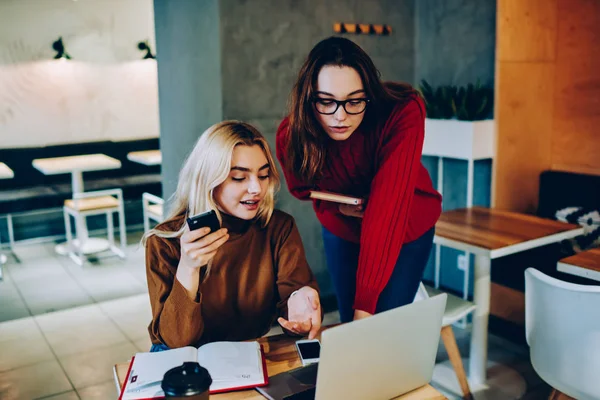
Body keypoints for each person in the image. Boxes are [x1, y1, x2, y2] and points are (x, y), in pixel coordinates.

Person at [276, 37, 442, 323]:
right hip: (343, 227)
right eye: (326, 102)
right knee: (348, 324)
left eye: (354, 101)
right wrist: (337, 208)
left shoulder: (402, 111)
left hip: (404, 226)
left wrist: (364, 306)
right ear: (309, 97)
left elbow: (388, 209)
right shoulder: (292, 133)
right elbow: (303, 189)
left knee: (380, 327)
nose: (340, 116)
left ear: (369, 94)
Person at [144, 121, 322, 351]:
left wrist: (300, 301)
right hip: (183, 356)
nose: (257, 188)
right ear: (207, 179)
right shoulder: (163, 242)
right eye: (239, 177)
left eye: (264, 174)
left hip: (246, 351)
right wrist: (188, 267)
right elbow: (176, 340)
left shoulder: (278, 227)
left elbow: (294, 310)